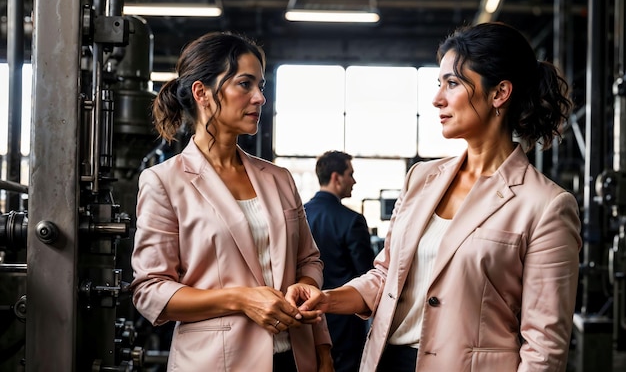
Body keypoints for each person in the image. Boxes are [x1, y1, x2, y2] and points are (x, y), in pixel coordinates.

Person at [286, 22, 582, 372]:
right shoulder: (421, 178)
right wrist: (328, 299)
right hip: (385, 362)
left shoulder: (545, 205)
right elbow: (385, 277)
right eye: (439, 83)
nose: (437, 98)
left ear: (499, 93)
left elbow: (544, 349)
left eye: (452, 83)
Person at [130, 31, 333, 372]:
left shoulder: (278, 178)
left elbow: (309, 260)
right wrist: (240, 299)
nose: (259, 98)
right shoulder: (164, 181)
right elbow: (150, 291)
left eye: (261, 86)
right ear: (202, 93)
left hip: (296, 358)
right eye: (245, 84)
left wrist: (308, 294)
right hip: (217, 362)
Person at [304, 151, 375, 372]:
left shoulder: (300, 214)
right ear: (336, 177)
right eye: (350, 174)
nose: (354, 181)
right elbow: (367, 275)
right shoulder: (352, 220)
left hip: (306, 315)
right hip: (344, 320)